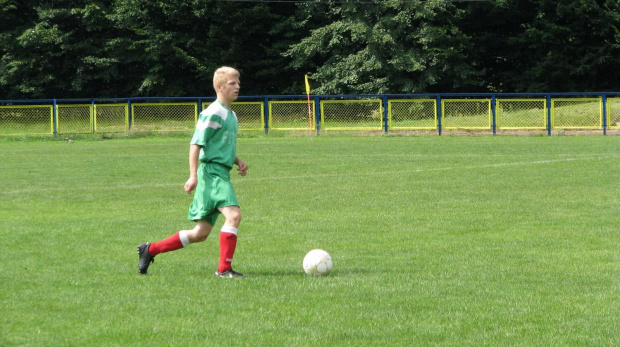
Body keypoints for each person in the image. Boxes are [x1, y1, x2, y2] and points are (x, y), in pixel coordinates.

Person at [137, 66, 248, 278]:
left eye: (238, 82)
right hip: (212, 175)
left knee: (200, 233)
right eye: (233, 83)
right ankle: (224, 270)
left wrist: (237, 160)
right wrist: (193, 175)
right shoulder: (212, 113)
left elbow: (217, 147)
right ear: (219, 86)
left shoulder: (231, 115)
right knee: (233, 216)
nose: (238, 86)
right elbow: (196, 144)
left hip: (220, 172)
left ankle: (150, 249)